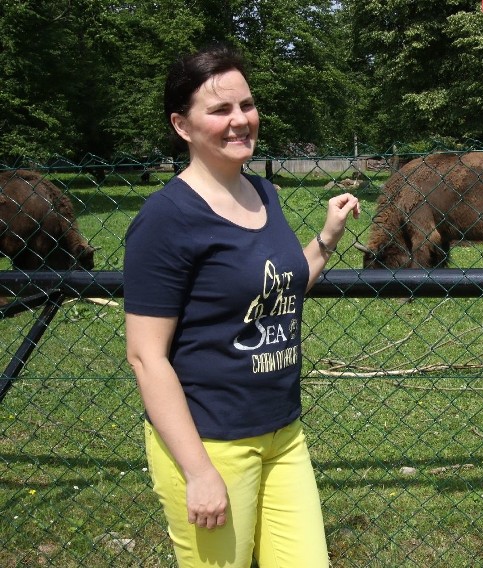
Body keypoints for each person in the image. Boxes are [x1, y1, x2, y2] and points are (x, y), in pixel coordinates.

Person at [124, 44, 360, 567]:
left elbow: (277, 291)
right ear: (182, 126)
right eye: (219, 110)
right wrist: (199, 471)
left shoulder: (264, 194)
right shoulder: (166, 219)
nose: (240, 121)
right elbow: (145, 356)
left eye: (246, 105)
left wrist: (325, 240)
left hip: (283, 433)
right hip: (212, 442)